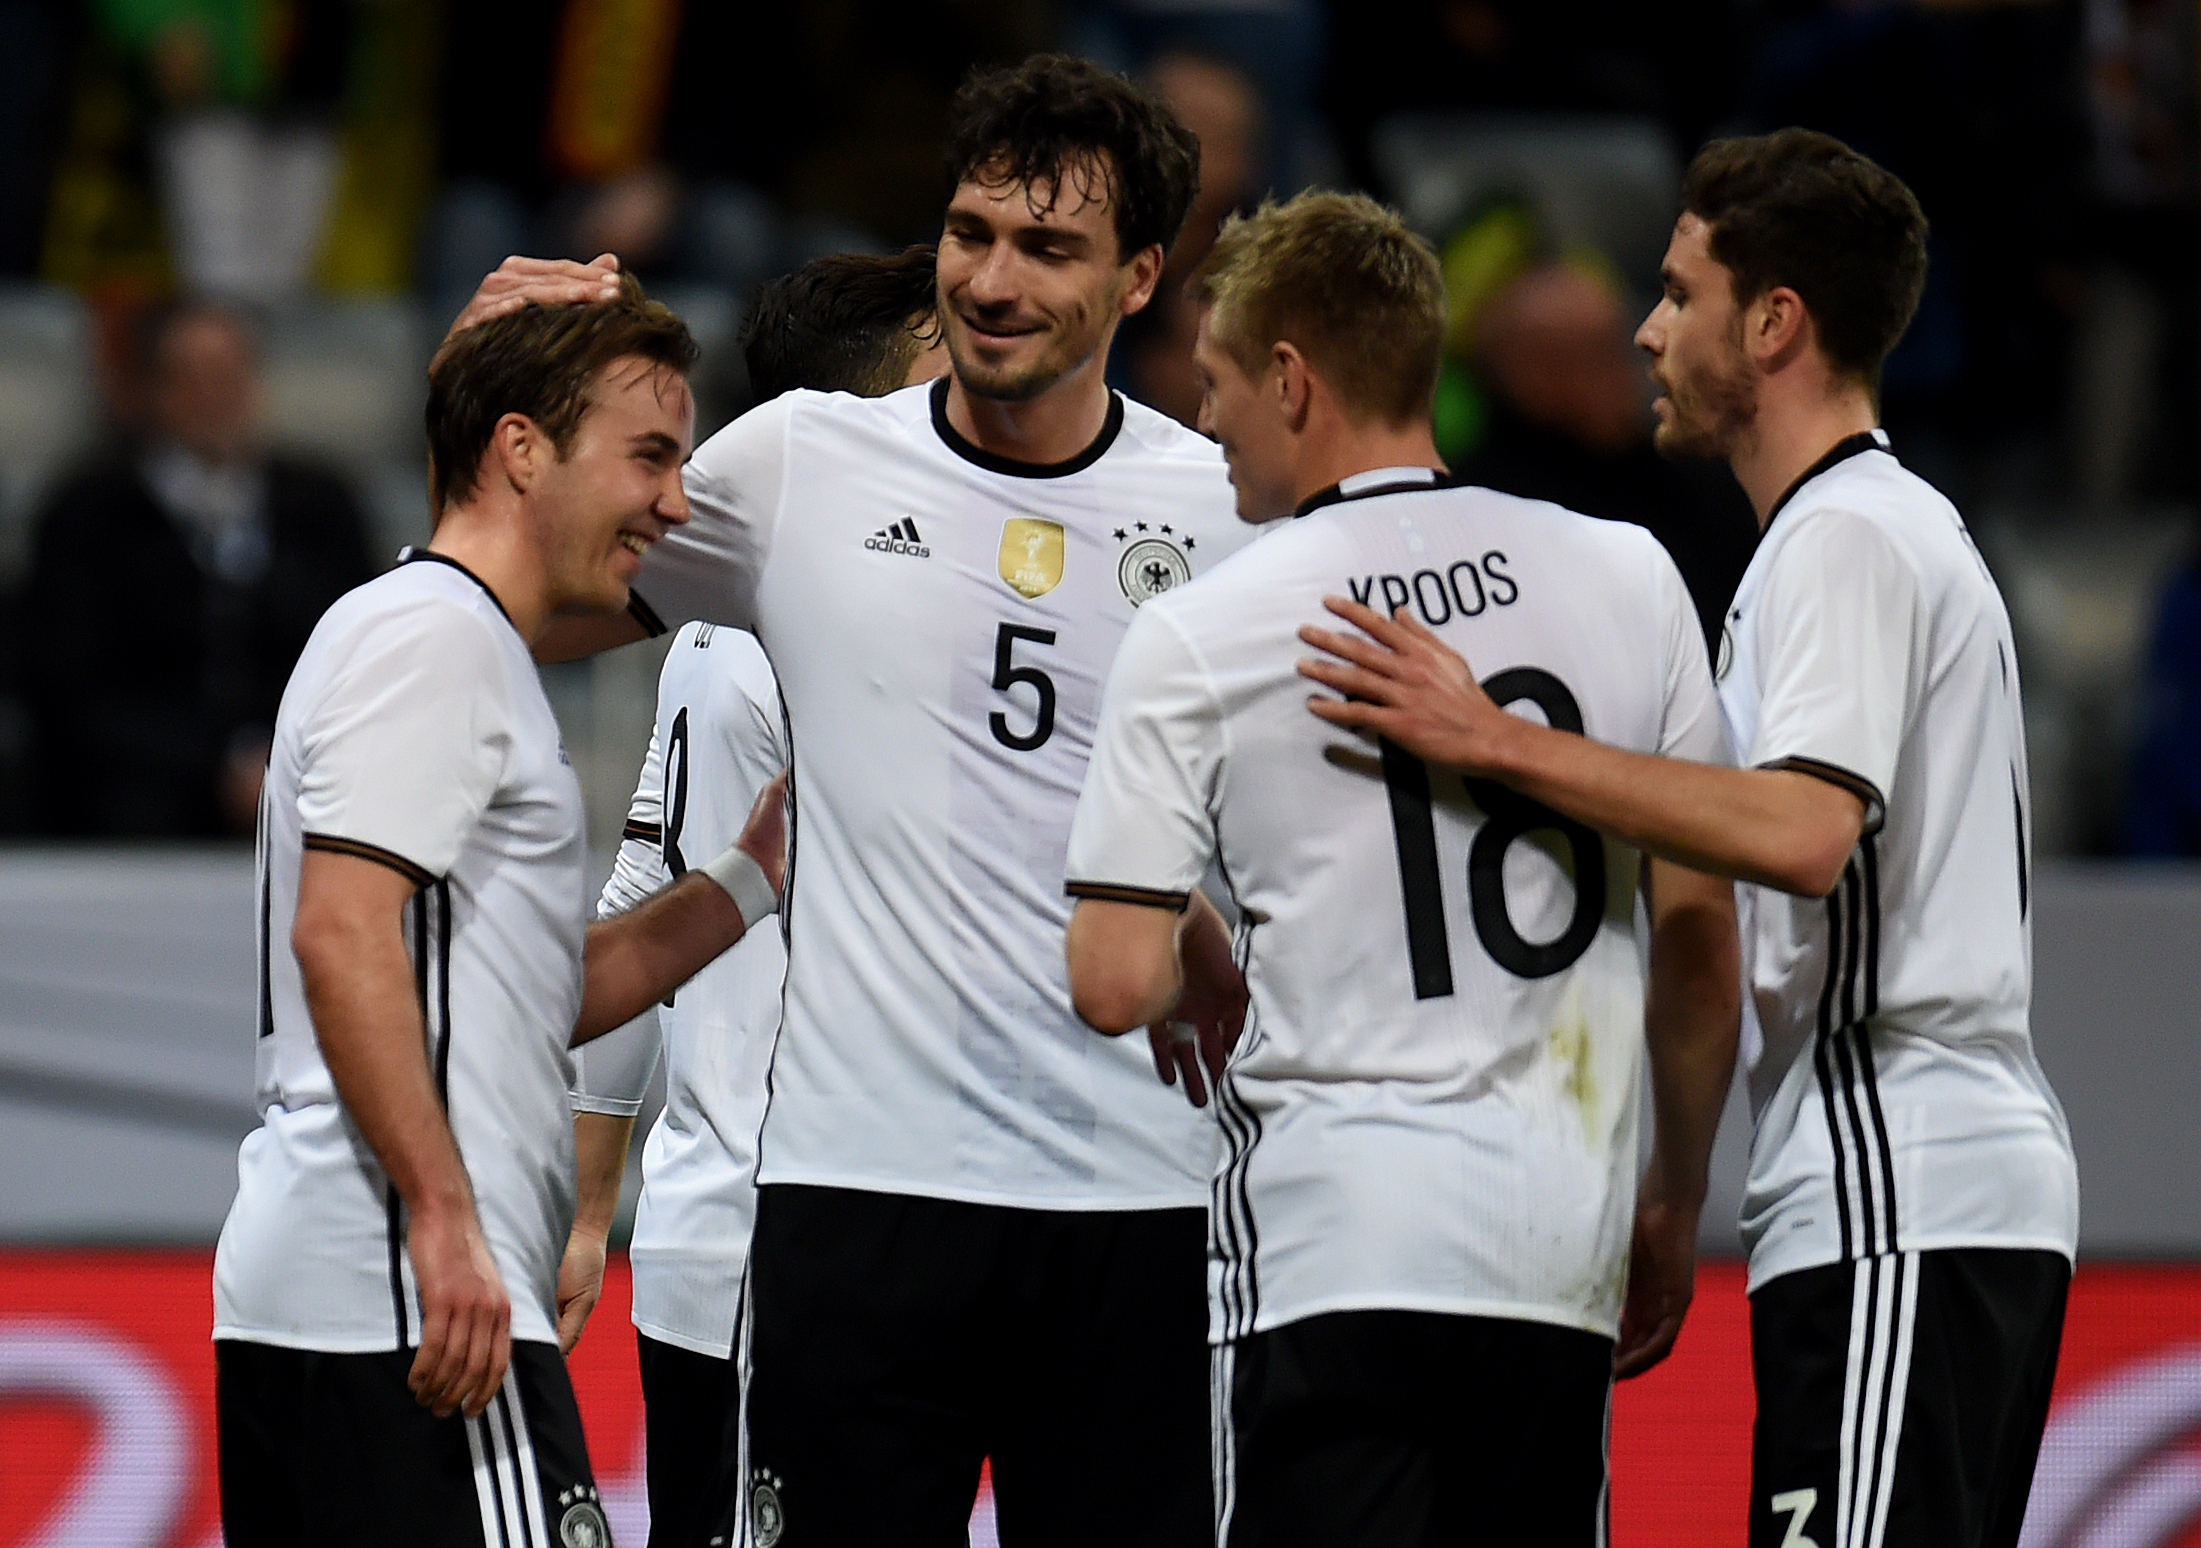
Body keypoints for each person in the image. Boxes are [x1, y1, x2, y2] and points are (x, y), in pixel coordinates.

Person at [450, 54, 1263, 1548]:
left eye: (1048, 246)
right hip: (852, 1202)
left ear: (1145, 275)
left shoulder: (1220, 510)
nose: (994, 280)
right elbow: (506, 584)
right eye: (971, 235)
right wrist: (506, 379)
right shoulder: (797, 465)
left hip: (1139, 1209)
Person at [1300, 130, 2080, 1548]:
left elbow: (1797, 833)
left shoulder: (1844, 535)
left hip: (1896, 1165)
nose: (1646, 330)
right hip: (1895, 1180)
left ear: (1772, 321)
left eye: (1676, 291)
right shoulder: (1854, 533)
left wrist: (1496, 741)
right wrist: (1675, 1192)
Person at [1062, 189, 1741, 1546]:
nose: (1206, 423)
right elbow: (1699, 933)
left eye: (1217, 383)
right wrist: (1670, 1193)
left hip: (1332, 1241)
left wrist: (1192, 918)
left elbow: (1111, 982)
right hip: (1557, 1244)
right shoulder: (1628, 573)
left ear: (1293, 379)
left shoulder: (1209, 627)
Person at [213, 275, 792, 1548]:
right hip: (411, 1297)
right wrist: (442, 1212)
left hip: (357, 1294)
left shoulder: (440, 635)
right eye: (647, 456)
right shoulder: (438, 642)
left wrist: (748, 880)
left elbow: (528, 997)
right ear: (521, 450)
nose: (675, 502)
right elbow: (339, 931)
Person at [556, 245, 947, 1548]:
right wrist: (596, 1202)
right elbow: (649, 887)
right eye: (948, 343)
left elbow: (640, 877)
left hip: (814, 1227)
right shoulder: (790, 628)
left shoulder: (718, 622)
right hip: (776, 1238)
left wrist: (599, 1200)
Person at [20, 298, 375, 837]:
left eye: (229, 375)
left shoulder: (320, 506)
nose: (214, 397)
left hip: (306, 792)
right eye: (190, 378)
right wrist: (216, 768)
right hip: (136, 807)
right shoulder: (89, 513)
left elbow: (360, 660)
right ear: (149, 390)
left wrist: (281, 764)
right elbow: (68, 690)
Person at [1455, 259, 1758, 647]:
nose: (1633, 374)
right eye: (1599, 354)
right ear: (1534, 375)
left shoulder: (1691, 485)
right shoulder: (1478, 514)